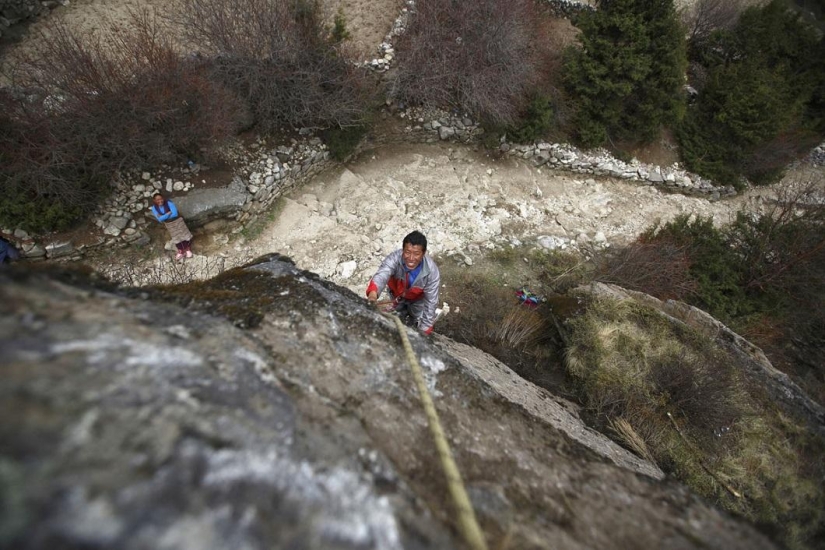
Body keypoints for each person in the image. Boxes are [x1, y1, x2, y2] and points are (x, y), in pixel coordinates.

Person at [366, 230, 441, 335]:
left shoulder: (431, 271)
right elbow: (382, 275)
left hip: (418, 300)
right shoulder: (394, 259)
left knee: (418, 318)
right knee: (396, 315)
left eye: (416, 254)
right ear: (402, 250)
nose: (411, 258)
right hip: (397, 296)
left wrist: (425, 331)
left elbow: (431, 301)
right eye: (407, 252)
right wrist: (373, 294)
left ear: (423, 253)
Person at [150, 193, 193, 260]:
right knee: (176, 236)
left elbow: (175, 214)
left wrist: (163, 216)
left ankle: (188, 249)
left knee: (183, 234)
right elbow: (159, 219)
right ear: (154, 200)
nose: (160, 201)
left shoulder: (169, 203)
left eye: (161, 199)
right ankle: (181, 250)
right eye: (157, 200)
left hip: (178, 221)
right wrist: (168, 213)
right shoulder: (154, 208)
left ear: (163, 198)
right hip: (169, 224)